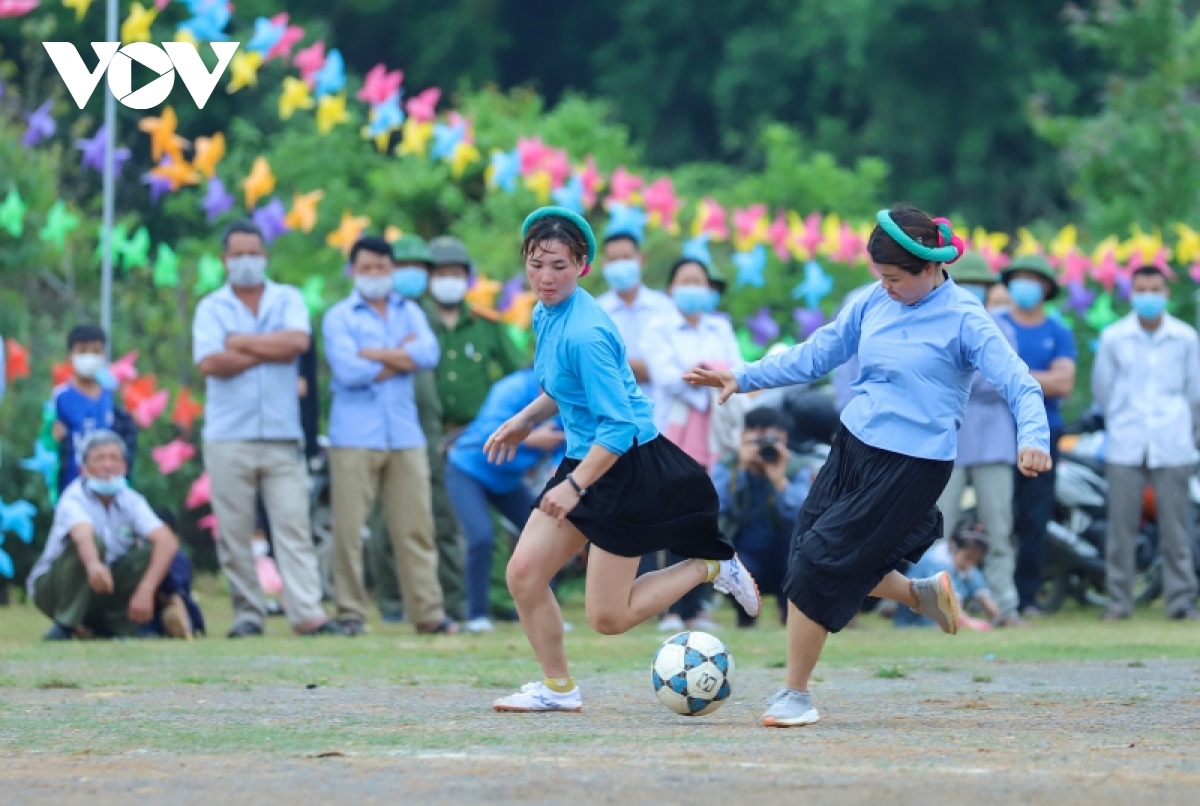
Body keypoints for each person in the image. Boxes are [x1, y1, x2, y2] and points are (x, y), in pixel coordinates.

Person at [686, 205, 1052, 728]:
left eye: (895, 278)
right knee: (809, 554)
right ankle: (918, 594)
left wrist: (1033, 439)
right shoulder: (872, 302)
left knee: (819, 561)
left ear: (930, 269)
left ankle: (795, 694)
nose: (885, 287)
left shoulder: (966, 318)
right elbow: (817, 354)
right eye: (879, 276)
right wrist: (741, 377)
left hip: (913, 465)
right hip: (853, 445)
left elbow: (1021, 383)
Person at [486, 206, 761, 713]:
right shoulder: (545, 312)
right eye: (536, 263)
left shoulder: (586, 332)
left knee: (608, 618)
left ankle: (709, 567)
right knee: (524, 573)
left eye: (559, 266)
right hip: (583, 459)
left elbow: (618, 426)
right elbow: (564, 387)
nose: (545, 277)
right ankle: (558, 689)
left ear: (582, 265)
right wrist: (528, 417)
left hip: (625, 467)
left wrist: (574, 487)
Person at [193, 219, 346, 637]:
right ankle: (248, 613)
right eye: (238, 254)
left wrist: (239, 343)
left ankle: (308, 614)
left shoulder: (287, 298)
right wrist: (268, 350)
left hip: (282, 435)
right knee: (235, 532)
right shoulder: (211, 307)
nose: (246, 261)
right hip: (228, 436)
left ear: (265, 256)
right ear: (225, 261)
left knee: (294, 526)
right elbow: (209, 363)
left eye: (253, 253)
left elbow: (296, 343)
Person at [323, 235, 457, 635]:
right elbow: (346, 371)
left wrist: (373, 355)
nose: (375, 275)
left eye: (382, 268)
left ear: (392, 270)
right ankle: (350, 612)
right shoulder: (338, 316)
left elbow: (429, 355)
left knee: (416, 527)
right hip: (353, 435)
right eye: (367, 268)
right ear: (353, 270)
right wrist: (400, 355)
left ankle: (428, 613)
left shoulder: (409, 311)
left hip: (404, 434)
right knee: (349, 530)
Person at [1093, 266, 1200, 621]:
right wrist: (1123, 419)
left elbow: (1194, 392)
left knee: (1176, 527)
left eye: (1155, 289)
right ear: (1132, 293)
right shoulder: (1114, 337)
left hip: (1172, 441)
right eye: (1142, 289)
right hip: (1127, 441)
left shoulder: (1184, 337)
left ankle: (1181, 600)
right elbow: (1103, 390)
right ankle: (1119, 601)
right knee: (1121, 527)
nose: (1149, 296)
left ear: (1166, 293)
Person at [641, 256, 742, 631]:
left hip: (713, 432)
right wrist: (709, 376)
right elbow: (667, 377)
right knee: (666, 517)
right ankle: (667, 609)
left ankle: (695, 607)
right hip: (672, 431)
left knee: (704, 515)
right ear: (671, 289)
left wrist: (706, 371)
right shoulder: (659, 327)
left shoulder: (719, 327)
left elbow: (734, 368)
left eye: (699, 280)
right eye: (685, 280)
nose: (693, 287)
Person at [27, 431, 191, 640]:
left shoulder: (132, 500)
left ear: (125, 467)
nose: (107, 465)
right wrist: (94, 564)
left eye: (114, 458)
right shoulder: (73, 498)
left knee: (150, 552)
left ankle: (116, 629)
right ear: (83, 469)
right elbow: (82, 534)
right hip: (55, 589)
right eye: (99, 458)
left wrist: (146, 589)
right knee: (93, 546)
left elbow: (166, 541)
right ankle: (65, 626)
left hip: (103, 587)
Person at [933, 253, 1023, 626]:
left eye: (981, 285)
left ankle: (1004, 604)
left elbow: (1003, 379)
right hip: (945, 441)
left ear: (989, 289)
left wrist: (959, 376)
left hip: (993, 441)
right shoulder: (936, 322)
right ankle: (926, 603)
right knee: (935, 527)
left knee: (998, 527)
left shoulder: (1003, 327)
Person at [446, 368, 566, 634]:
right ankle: (477, 615)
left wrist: (559, 468)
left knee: (548, 533)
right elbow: (490, 430)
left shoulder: (569, 397)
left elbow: (566, 443)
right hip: (469, 471)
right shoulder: (512, 388)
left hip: (509, 481)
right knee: (481, 536)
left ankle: (548, 613)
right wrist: (534, 439)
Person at [998, 254, 1077, 617]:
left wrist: (1014, 376)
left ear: (1045, 288)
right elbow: (982, 377)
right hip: (996, 436)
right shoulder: (994, 326)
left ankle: (1027, 598)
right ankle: (989, 595)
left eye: (1032, 279)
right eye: (1019, 278)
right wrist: (1038, 377)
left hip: (1044, 436)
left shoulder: (1058, 331)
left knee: (1034, 517)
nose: (1024, 287)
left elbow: (1064, 383)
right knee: (995, 516)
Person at [711, 407, 811, 627]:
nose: (761, 446)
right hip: (744, 553)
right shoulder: (729, 465)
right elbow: (716, 507)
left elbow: (806, 514)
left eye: (768, 437)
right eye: (754, 437)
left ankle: (790, 617)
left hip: (782, 554)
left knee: (798, 548)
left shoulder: (795, 466)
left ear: (782, 438)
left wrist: (779, 480)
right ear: (742, 438)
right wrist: (742, 471)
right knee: (727, 557)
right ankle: (745, 617)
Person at [596, 220, 675, 397]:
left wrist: (622, 367)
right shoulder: (595, 311)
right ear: (604, 266)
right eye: (613, 260)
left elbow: (678, 361)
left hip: (663, 409)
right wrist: (651, 368)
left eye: (626, 258)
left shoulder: (665, 307)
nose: (620, 265)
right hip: (614, 408)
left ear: (641, 260)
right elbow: (596, 366)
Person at [894, 527, 1001, 629]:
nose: (970, 564)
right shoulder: (937, 561)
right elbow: (948, 597)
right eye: (967, 558)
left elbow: (978, 587)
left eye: (975, 561)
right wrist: (967, 622)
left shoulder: (962, 564)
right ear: (953, 547)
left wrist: (992, 610)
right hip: (917, 612)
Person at [52, 325, 116, 493]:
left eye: (96, 351)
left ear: (104, 355)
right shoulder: (60, 397)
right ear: (70, 356)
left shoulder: (111, 395)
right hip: (71, 486)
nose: (90, 357)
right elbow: (49, 444)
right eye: (82, 351)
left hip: (107, 487)